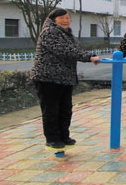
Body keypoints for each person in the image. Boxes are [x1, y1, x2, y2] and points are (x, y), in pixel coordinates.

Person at [30, 8, 101, 149]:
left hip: (64, 78)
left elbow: (75, 50)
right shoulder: (49, 32)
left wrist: (89, 55)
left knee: (65, 109)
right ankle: (52, 138)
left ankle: (64, 136)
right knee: (51, 110)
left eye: (68, 18)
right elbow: (64, 50)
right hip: (48, 78)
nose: (66, 20)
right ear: (53, 19)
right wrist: (88, 57)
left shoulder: (67, 34)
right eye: (62, 18)